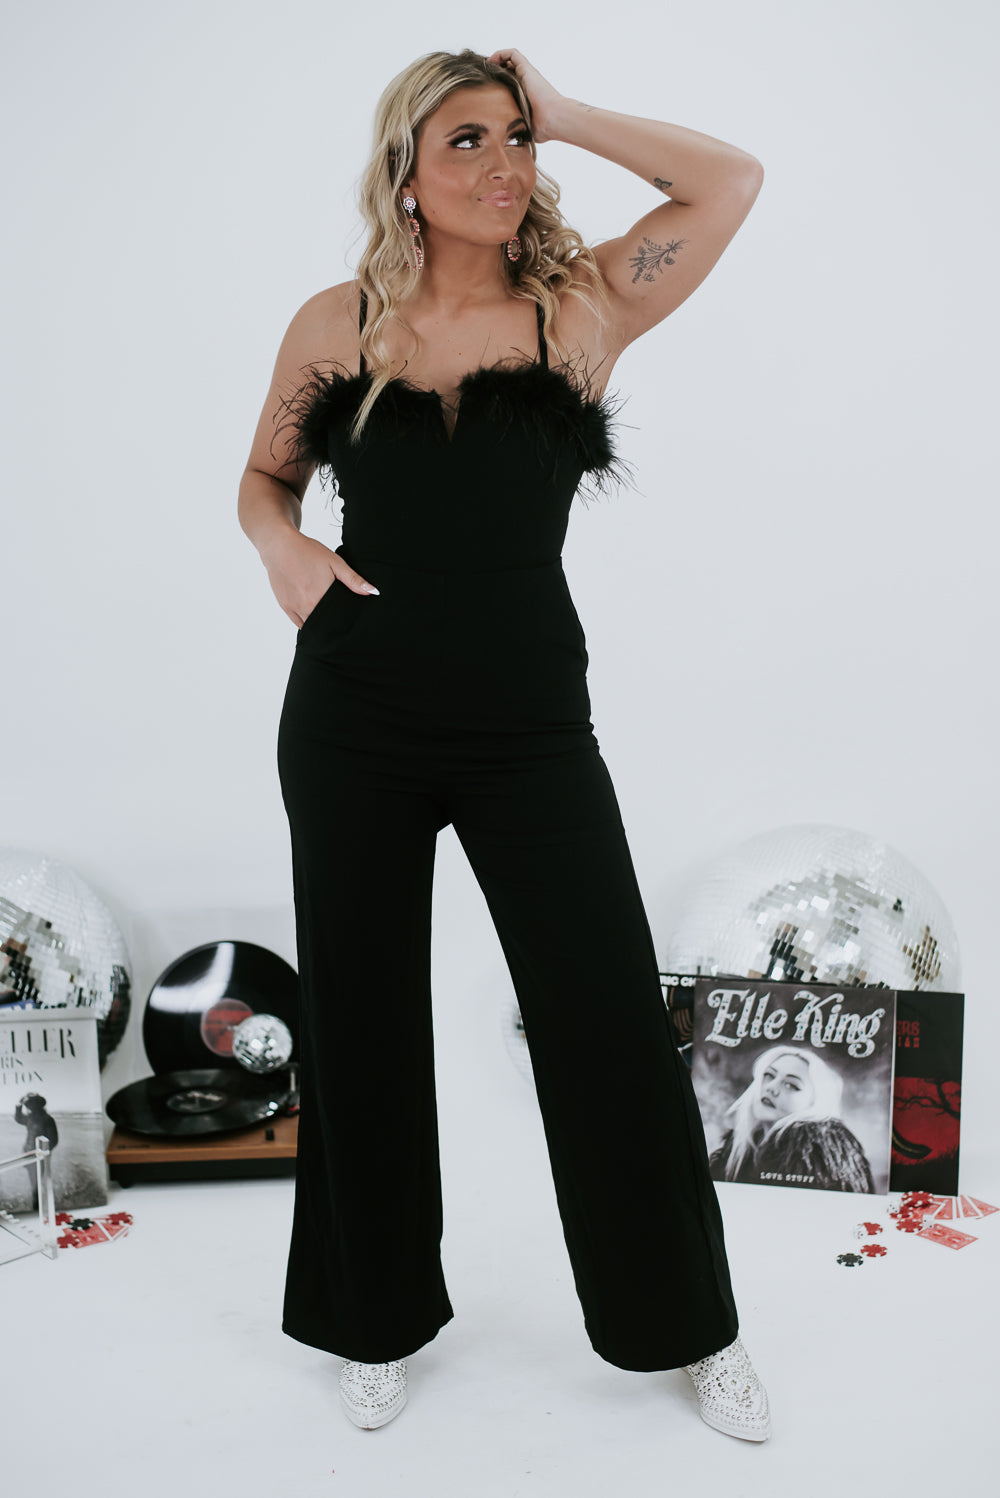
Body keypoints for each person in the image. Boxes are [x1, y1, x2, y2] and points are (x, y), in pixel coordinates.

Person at [238, 46, 769, 1441]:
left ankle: (688, 1324)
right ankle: (371, 1318)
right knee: (358, 1018)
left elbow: (728, 181)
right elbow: (262, 480)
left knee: (605, 1018)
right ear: (407, 173)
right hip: (353, 716)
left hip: (530, 727)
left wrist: (571, 112)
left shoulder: (579, 306)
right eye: (466, 141)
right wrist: (282, 548)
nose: (501, 164)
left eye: (515, 139)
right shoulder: (340, 321)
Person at [709, 1046, 876, 1192]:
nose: (771, 1088)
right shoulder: (739, 1150)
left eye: (791, 1085)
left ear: (815, 1103)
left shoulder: (815, 1156)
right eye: (769, 1075)